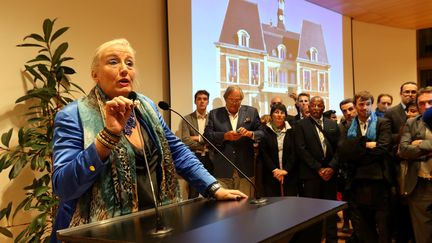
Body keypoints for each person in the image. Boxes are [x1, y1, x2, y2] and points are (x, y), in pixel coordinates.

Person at [50, 39, 246, 242]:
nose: (124, 69)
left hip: (155, 227)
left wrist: (213, 188)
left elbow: (177, 151)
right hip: (99, 234)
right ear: (95, 75)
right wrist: (107, 138)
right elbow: (63, 186)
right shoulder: (73, 115)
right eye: (113, 62)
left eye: (129, 63)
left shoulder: (147, 107)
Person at [338, 91, 393, 243]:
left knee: (383, 227)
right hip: (356, 181)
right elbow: (344, 152)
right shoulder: (347, 126)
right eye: (361, 104)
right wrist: (367, 145)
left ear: (372, 104)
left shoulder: (383, 123)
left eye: (367, 103)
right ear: (356, 106)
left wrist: (356, 151)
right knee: (363, 227)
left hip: (378, 180)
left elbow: (382, 150)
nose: (364, 107)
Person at [204, 85, 264, 197]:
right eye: (231, 99)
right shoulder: (214, 114)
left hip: (245, 170)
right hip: (222, 169)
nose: (234, 103)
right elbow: (207, 136)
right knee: (224, 209)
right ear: (225, 98)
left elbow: (262, 133)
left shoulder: (252, 112)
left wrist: (250, 134)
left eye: (238, 100)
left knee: (246, 207)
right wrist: (225, 136)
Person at [295, 96, 340, 243]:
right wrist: (318, 169)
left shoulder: (332, 124)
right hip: (311, 175)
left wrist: (331, 167)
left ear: (324, 107)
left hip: (330, 174)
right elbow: (301, 150)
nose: (315, 108)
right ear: (309, 107)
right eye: (313, 105)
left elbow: (339, 148)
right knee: (313, 211)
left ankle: (332, 239)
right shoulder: (301, 125)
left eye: (319, 105)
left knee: (331, 210)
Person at [384, 81, 417, 243]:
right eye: (407, 92)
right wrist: (406, 134)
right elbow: (387, 138)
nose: (410, 95)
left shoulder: (424, 111)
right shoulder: (391, 112)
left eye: (413, 92)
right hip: (398, 165)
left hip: (419, 165)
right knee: (401, 206)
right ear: (400, 93)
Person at [398, 86, 432, 243]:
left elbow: (413, 149)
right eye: (422, 103)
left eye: (430, 102)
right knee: (422, 234)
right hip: (420, 185)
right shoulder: (412, 123)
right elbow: (404, 150)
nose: (426, 107)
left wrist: (420, 144)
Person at [180, 90, 213, 199]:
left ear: (208, 101)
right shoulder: (187, 119)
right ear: (195, 101)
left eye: (204, 99)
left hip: (211, 158)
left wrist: (197, 138)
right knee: (193, 193)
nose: (202, 101)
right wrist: (203, 145)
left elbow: (214, 139)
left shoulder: (213, 118)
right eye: (199, 99)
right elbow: (185, 140)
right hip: (194, 158)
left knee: (212, 191)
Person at [259, 103, 298, 197]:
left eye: (282, 112)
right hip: (271, 174)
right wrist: (275, 170)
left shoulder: (293, 130)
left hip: (289, 173)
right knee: (273, 205)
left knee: (290, 203)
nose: (279, 115)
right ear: (271, 115)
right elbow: (264, 153)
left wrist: (285, 170)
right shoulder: (264, 131)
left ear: (285, 116)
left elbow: (295, 152)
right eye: (276, 112)